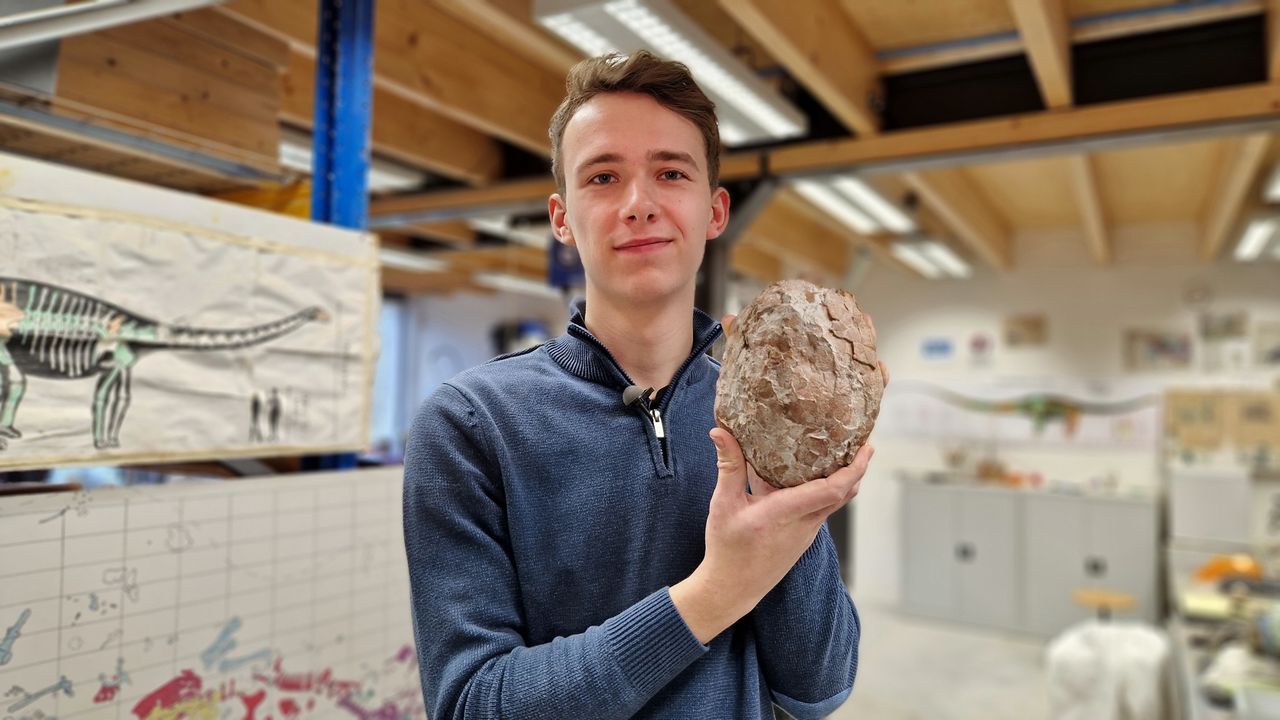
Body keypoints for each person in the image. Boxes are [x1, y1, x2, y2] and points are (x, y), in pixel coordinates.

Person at [403, 50, 883, 720]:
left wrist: (792, 489)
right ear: (562, 218)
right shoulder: (471, 426)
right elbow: (471, 705)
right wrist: (717, 591)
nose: (638, 204)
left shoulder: (761, 422)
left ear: (715, 211)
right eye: (602, 176)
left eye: (670, 172)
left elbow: (818, 690)